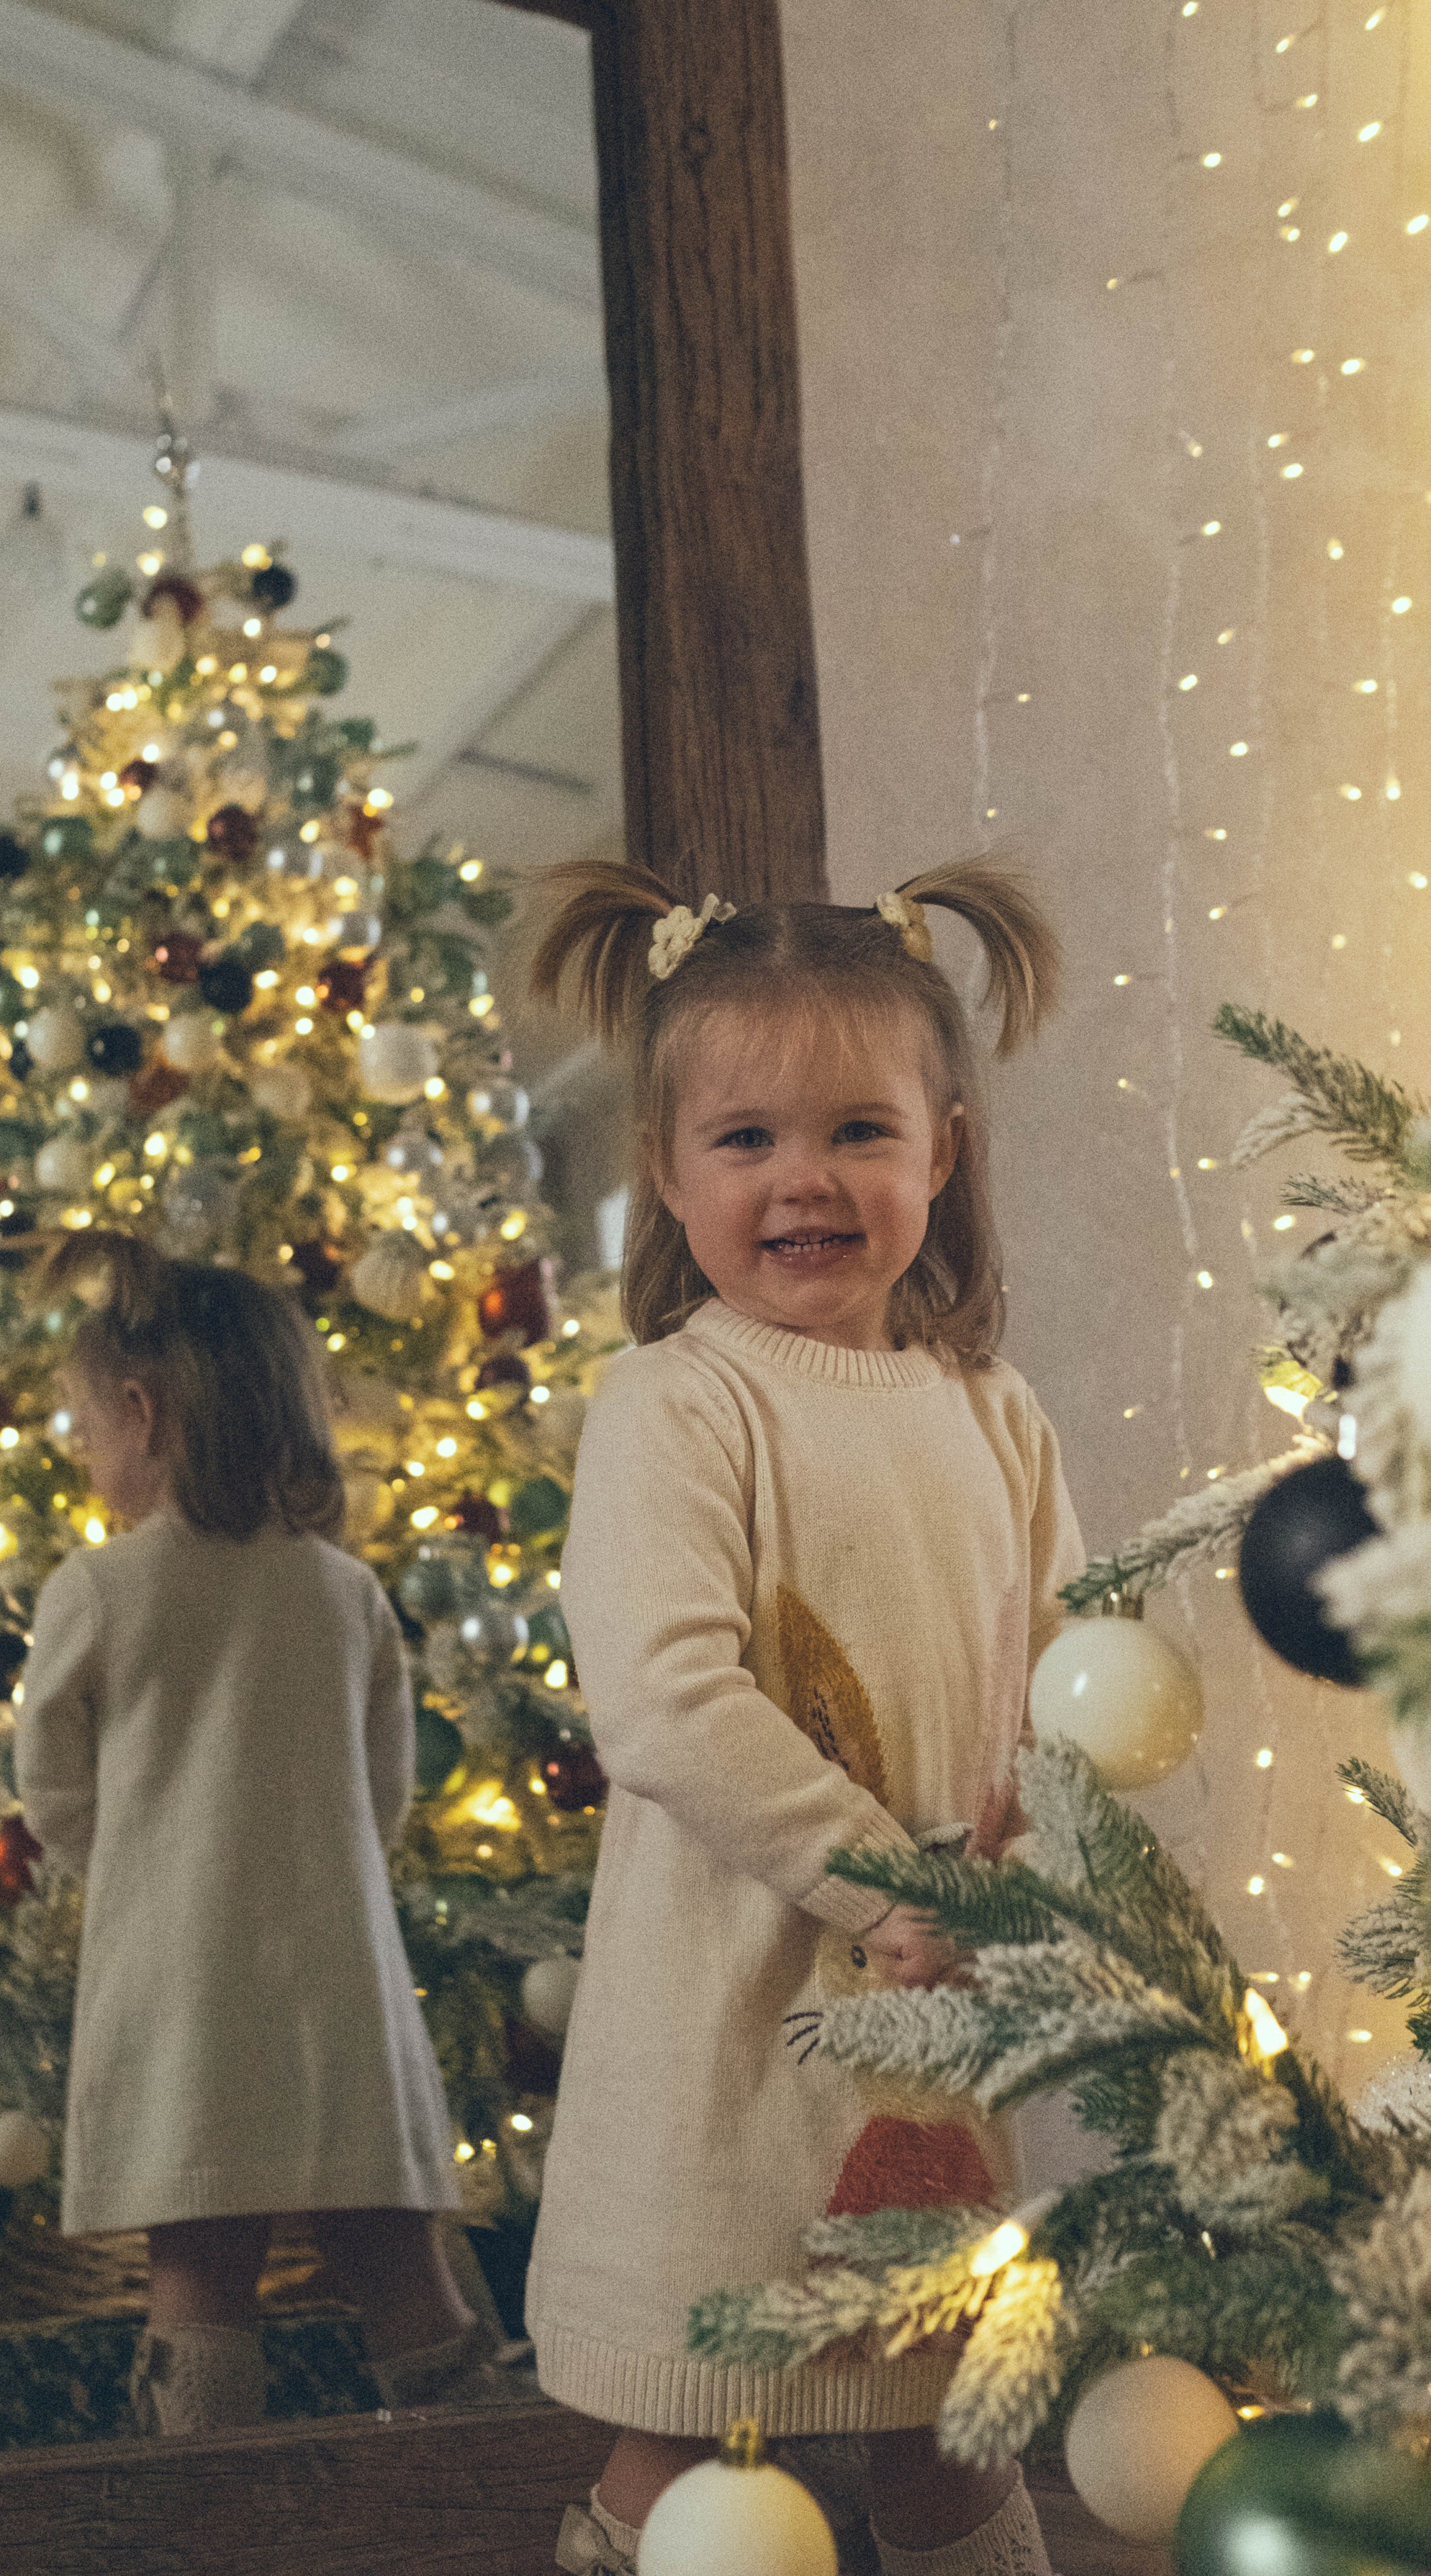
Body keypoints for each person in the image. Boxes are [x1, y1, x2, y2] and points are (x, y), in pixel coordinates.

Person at [523, 860, 1085, 2576]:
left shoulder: (990, 1411)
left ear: (943, 1152)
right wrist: (879, 1880)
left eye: (857, 1131)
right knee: (692, 2421)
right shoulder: (675, 1404)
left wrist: (1022, 1886)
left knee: (949, 2414)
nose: (804, 1179)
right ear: (666, 1171)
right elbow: (664, 1700)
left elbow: (1066, 1676)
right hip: (729, 2022)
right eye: (746, 1138)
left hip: (937, 2017)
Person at [15, 1231, 487, 2437]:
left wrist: (147, 1865)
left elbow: (52, 1791)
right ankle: (479, 2491)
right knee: (397, 2261)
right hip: (339, 1986)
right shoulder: (345, 1592)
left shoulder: (96, 1588)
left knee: (197, 2273)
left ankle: (205, 2511)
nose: (83, 1449)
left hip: (182, 1992)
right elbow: (385, 1797)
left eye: (87, 1425)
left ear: (142, 1411)